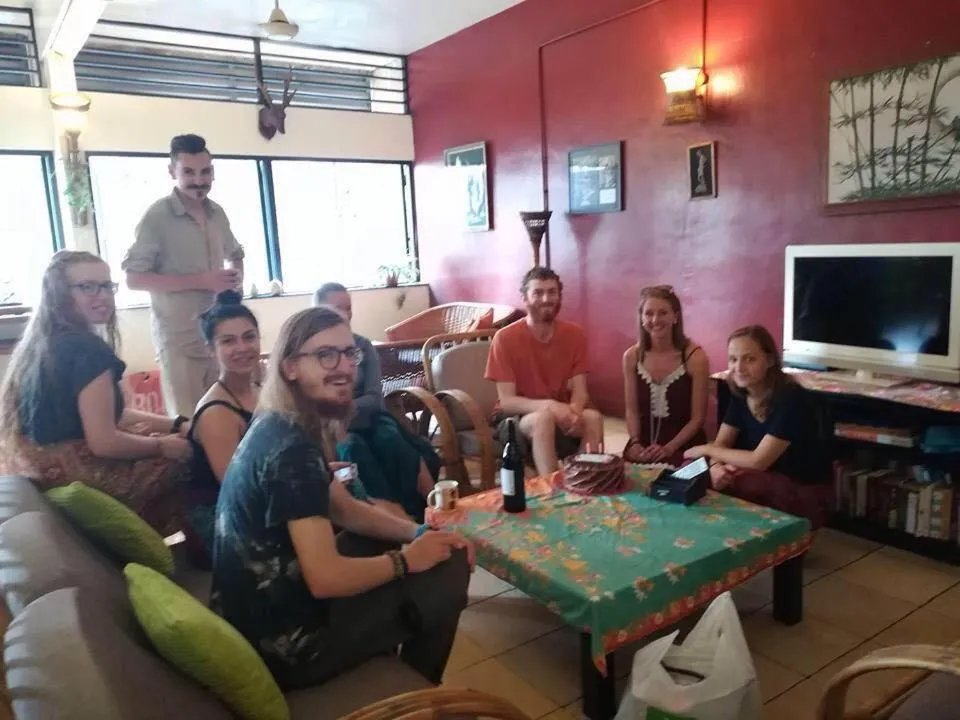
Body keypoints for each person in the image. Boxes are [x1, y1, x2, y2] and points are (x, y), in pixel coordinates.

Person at [212, 306, 472, 690]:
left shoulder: (284, 420)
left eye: (350, 353)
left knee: (403, 543)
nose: (344, 367)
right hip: (286, 647)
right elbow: (325, 578)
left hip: (265, 613)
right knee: (450, 571)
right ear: (290, 367)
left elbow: (343, 507)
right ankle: (418, 694)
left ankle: (405, 667)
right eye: (324, 355)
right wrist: (406, 561)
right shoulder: (291, 450)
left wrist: (417, 533)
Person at [0, 251, 191, 534]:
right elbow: (104, 442)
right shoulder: (87, 350)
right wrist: (163, 445)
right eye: (88, 287)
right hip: (79, 478)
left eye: (106, 286)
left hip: (42, 473)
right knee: (191, 456)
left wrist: (176, 423)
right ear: (59, 294)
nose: (101, 295)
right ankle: (197, 551)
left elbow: (112, 414)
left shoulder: (42, 344)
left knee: (159, 437)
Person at [122, 133, 245, 418]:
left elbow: (236, 253)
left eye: (205, 172)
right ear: (172, 171)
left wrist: (235, 283)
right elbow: (134, 279)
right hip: (180, 344)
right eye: (188, 172)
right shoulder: (157, 216)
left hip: (219, 340)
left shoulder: (218, 213)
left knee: (228, 420)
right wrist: (203, 281)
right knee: (191, 429)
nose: (199, 181)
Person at [683, 325, 832, 528]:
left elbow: (758, 461)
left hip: (796, 487)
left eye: (749, 359)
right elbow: (722, 443)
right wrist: (716, 467)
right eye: (733, 359)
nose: (739, 368)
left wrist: (707, 449)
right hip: (754, 474)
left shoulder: (792, 399)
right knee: (691, 468)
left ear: (770, 360)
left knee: (741, 479)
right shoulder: (740, 392)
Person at [313, 283, 439, 520]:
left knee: (392, 439)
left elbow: (374, 398)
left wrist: (344, 407)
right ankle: (392, 516)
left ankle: (432, 507)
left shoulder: (362, 346)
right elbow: (317, 407)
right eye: (337, 308)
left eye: (348, 308)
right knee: (354, 449)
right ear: (317, 311)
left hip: (371, 418)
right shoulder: (311, 352)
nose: (345, 314)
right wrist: (341, 412)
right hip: (336, 428)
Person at [485, 267, 604, 476]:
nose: (546, 298)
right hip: (514, 418)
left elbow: (580, 390)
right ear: (525, 298)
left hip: (560, 409)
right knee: (543, 419)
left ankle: (586, 483)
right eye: (538, 292)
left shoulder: (575, 334)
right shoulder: (504, 339)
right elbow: (507, 402)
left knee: (592, 418)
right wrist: (550, 406)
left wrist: (574, 413)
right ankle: (551, 490)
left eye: (552, 292)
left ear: (559, 297)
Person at [184, 290, 260, 564]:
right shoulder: (216, 411)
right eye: (228, 341)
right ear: (210, 350)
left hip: (264, 498)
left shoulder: (261, 391)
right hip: (222, 519)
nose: (242, 348)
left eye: (249, 337)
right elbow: (237, 492)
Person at [622, 285, 708, 466]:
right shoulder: (631, 357)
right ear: (641, 318)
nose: (655, 319)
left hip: (683, 444)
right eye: (648, 313)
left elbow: (697, 419)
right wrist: (635, 442)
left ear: (675, 316)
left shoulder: (695, 357)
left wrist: (669, 449)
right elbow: (631, 410)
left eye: (663, 313)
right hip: (644, 442)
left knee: (676, 483)